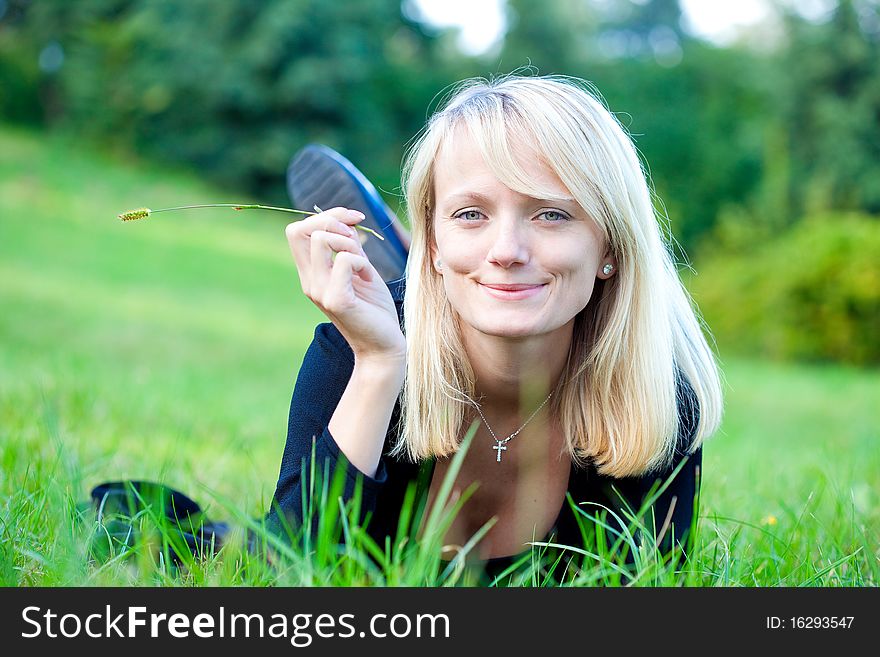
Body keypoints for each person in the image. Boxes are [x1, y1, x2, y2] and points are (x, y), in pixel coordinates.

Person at [267, 73, 724, 584]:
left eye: (551, 214)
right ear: (433, 244)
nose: (507, 250)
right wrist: (378, 364)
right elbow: (291, 572)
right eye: (470, 214)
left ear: (611, 247)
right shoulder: (355, 347)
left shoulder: (657, 391)